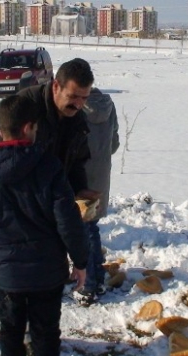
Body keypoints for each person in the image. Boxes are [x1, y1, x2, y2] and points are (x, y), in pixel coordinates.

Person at [0, 58, 96, 350]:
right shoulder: (25, 106)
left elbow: (77, 158)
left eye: (84, 98)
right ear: (55, 87)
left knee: (38, 271)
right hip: (8, 197)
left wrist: (79, 190)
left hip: (45, 195)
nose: (78, 104)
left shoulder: (77, 118)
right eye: (73, 96)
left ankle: (31, 336)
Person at [77, 88, 120, 305]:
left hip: (80, 173)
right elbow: (114, 143)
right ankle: (97, 277)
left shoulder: (75, 106)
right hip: (101, 174)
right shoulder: (108, 104)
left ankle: (90, 284)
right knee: (90, 226)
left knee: (85, 229)